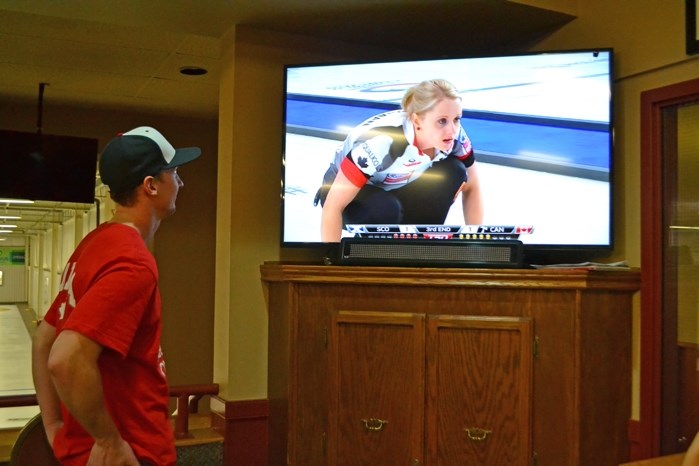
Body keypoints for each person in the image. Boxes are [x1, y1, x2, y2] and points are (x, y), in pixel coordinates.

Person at [31, 126, 201, 466]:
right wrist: (109, 443)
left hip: (88, 452)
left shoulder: (95, 243)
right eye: (175, 173)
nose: (180, 183)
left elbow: (43, 340)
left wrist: (53, 426)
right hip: (131, 454)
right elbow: (64, 359)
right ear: (151, 185)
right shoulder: (133, 261)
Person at [314, 78, 483, 242]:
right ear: (417, 121)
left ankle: (421, 248)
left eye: (456, 119)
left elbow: (473, 186)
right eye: (442, 121)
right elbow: (333, 207)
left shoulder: (455, 136)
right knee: (386, 209)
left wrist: (478, 246)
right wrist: (331, 261)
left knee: (454, 171)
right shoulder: (382, 141)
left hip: (395, 185)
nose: (452, 130)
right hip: (348, 194)